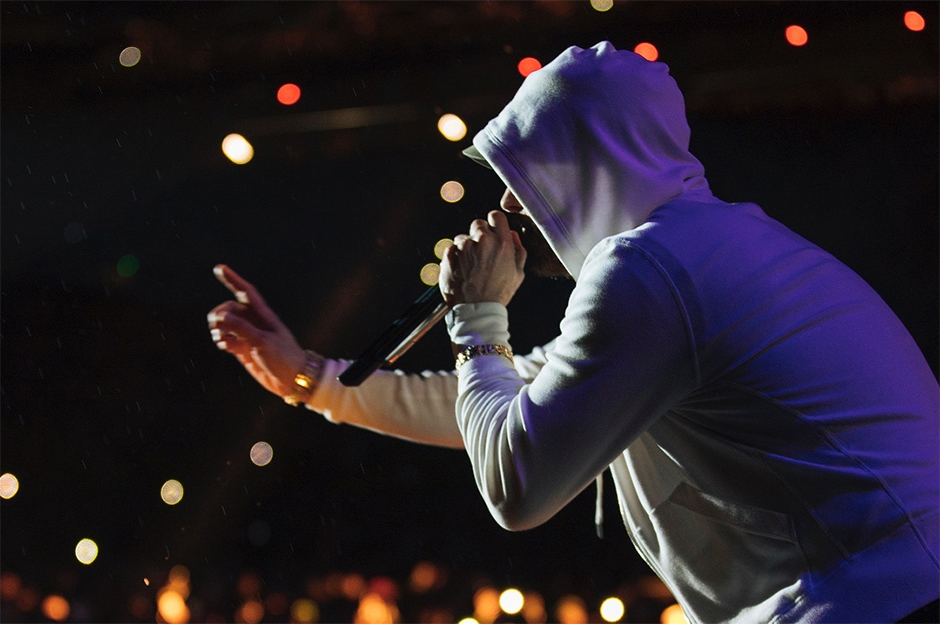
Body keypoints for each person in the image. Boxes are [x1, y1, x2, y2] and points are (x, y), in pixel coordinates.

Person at [208, 42, 939, 623]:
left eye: (523, 173)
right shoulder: (699, 248)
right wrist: (311, 379)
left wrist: (476, 315)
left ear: (583, 168)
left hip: (884, 598)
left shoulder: (650, 269)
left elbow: (517, 486)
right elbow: (510, 405)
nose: (506, 203)